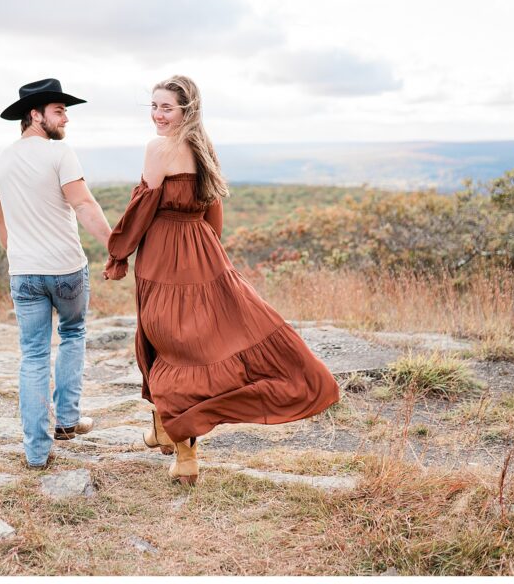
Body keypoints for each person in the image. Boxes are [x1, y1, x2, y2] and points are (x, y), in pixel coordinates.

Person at [103, 75, 340, 485]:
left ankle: (186, 453)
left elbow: (142, 209)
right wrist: (211, 255)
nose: (158, 115)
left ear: (185, 111)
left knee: (169, 345)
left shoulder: (158, 148)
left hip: (163, 256)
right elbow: (213, 211)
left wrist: (118, 252)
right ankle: (164, 426)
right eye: (154, 107)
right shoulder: (203, 146)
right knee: (195, 340)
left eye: (167, 108)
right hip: (203, 251)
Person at [0, 78, 113, 469]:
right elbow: (84, 206)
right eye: (59, 111)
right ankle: (67, 420)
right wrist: (117, 247)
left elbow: (0, 224)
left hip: (23, 273)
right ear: (35, 114)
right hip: (65, 268)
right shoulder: (61, 155)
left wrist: (22, 257)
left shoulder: (0, 161)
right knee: (73, 333)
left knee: (33, 356)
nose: (65, 119)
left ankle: (36, 453)